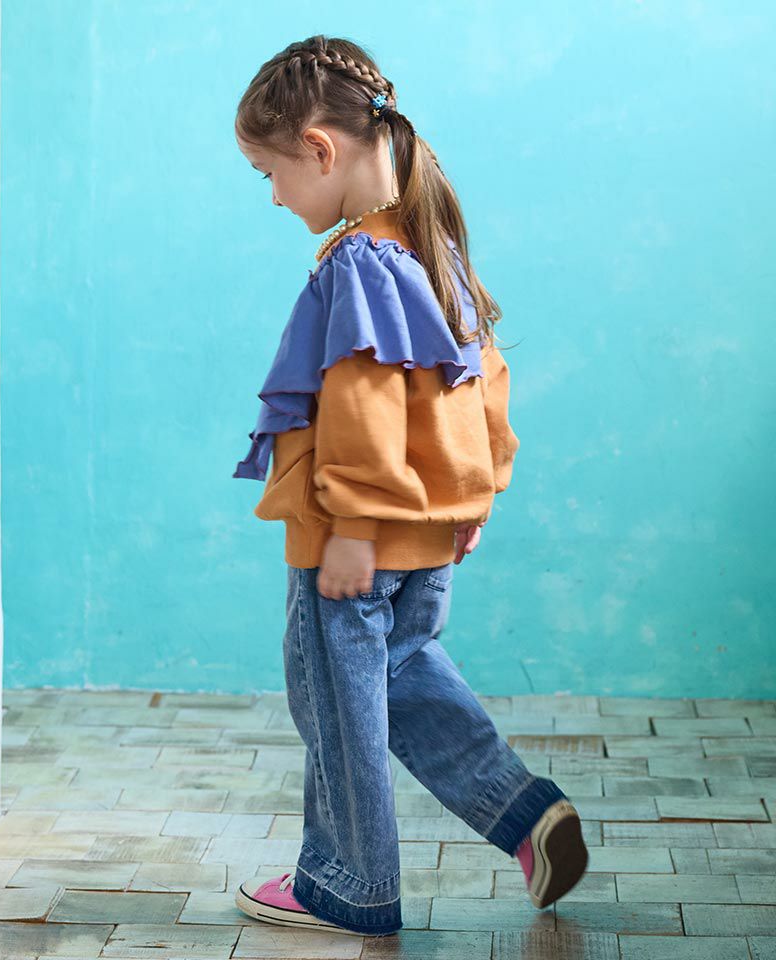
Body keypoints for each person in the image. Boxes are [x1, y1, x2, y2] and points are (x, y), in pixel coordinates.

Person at [230, 34, 588, 938]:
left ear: (319, 149)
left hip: (353, 538)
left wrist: (353, 524)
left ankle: (347, 885)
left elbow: (362, 402)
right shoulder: (435, 249)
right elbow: (485, 381)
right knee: (401, 672)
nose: (273, 195)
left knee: (336, 708)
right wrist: (476, 492)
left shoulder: (357, 262)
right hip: (430, 529)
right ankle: (522, 814)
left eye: (271, 173)